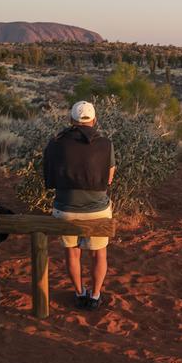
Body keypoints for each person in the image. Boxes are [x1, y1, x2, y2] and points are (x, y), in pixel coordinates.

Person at [43, 101, 115, 311]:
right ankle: (94, 295)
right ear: (94, 120)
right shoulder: (106, 144)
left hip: (66, 210)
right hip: (97, 210)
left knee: (73, 253)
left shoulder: (56, 143)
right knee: (99, 254)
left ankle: (78, 292)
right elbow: (108, 179)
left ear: (71, 121)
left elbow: (49, 174)